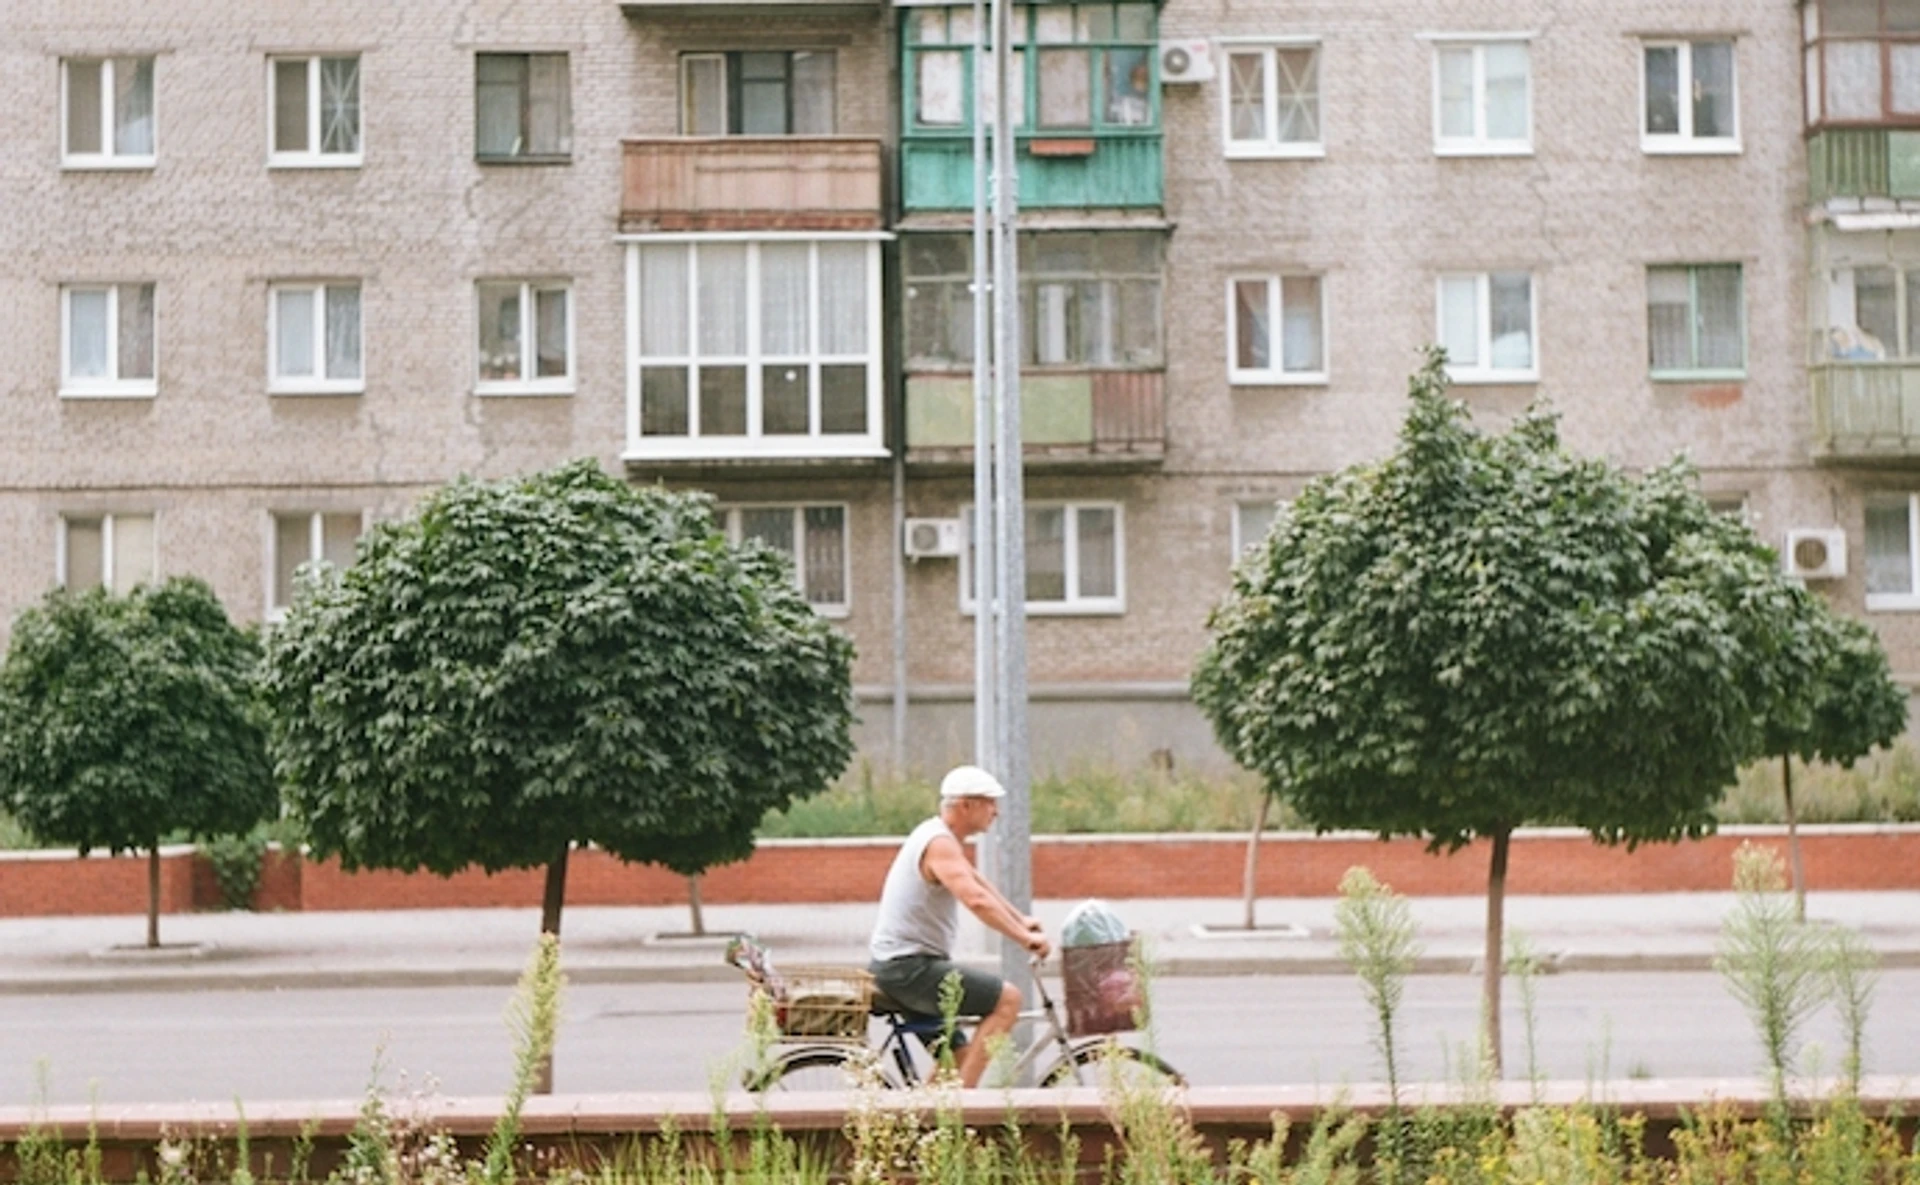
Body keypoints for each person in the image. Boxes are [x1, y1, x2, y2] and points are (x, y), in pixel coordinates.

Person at [868, 764, 1051, 1087]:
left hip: (905, 965)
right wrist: (1024, 938)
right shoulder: (938, 843)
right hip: (909, 968)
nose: (996, 811)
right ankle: (963, 1116)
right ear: (966, 805)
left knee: (959, 1058)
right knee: (1008, 999)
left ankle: (926, 1128)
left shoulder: (939, 836)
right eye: (990, 802)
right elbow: (975, 900)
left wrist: (1019, 920)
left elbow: (979, 884)